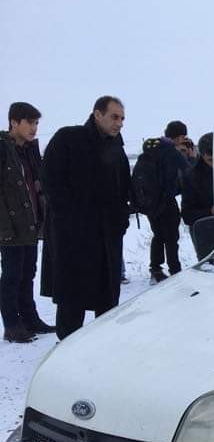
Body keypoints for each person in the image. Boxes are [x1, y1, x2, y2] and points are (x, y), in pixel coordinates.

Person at [41, 96, 131, 339]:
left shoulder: (117, 149)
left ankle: (103, 348)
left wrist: (121, 220)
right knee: (73, 298)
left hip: (107, 237)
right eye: (114, 116)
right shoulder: (69, 139)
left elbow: (125, 190)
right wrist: (69, 218)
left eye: (122, 118)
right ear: (97, 114)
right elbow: (50, 180)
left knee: (107, 298)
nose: (119, 123)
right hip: (74, 237)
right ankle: (67, 350)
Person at [0, 102, 54, 342]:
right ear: (14, 122)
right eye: (29, 122)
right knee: (11, 276)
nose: (34, 128)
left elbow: (38, 186)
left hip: (30, 224)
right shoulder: (3, 149)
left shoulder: (30, 150)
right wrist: (4, 227)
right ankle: (12, 325)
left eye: (36, 123)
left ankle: (30, 319)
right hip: (10, 226)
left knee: (27, 273)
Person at [132, 133, 188, 283]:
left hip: (150, 206)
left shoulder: (144, 158)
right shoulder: (170, 153)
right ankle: (175, 272)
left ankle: (155, 270)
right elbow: (185, 171)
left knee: (158, 236)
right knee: (171, 238)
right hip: (167, 203)